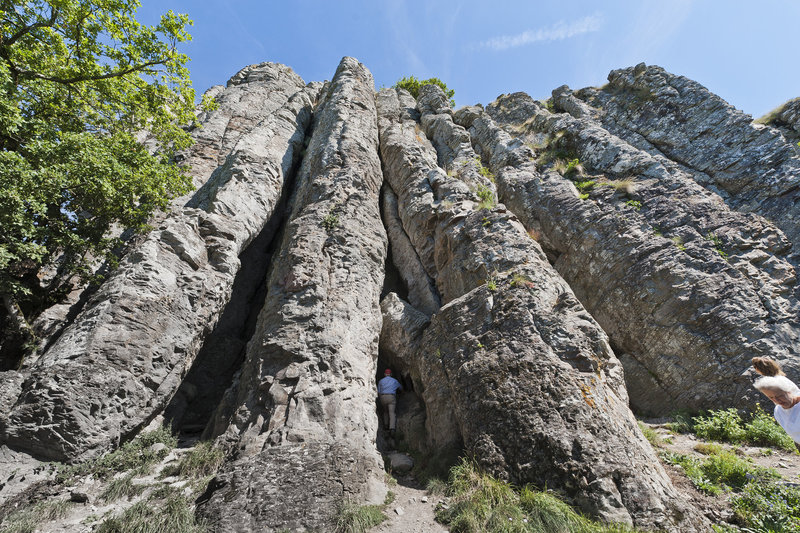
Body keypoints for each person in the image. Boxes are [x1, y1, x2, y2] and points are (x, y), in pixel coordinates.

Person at [753, 374, 800, 445]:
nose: (777, 400)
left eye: (780, 395)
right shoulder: (778, 411)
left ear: (789, 391)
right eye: (771, 397)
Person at [377, 368, 402, 433]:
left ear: (384, 374)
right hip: (391, 397)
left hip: (383, 397)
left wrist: (380, 398)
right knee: (392, 413)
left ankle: (386, 425)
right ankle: (392, 428)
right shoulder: (394, 381)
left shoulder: (381, 381)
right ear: (391, 374)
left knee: (385, 411)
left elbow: (378, 391)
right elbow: (400, 388)